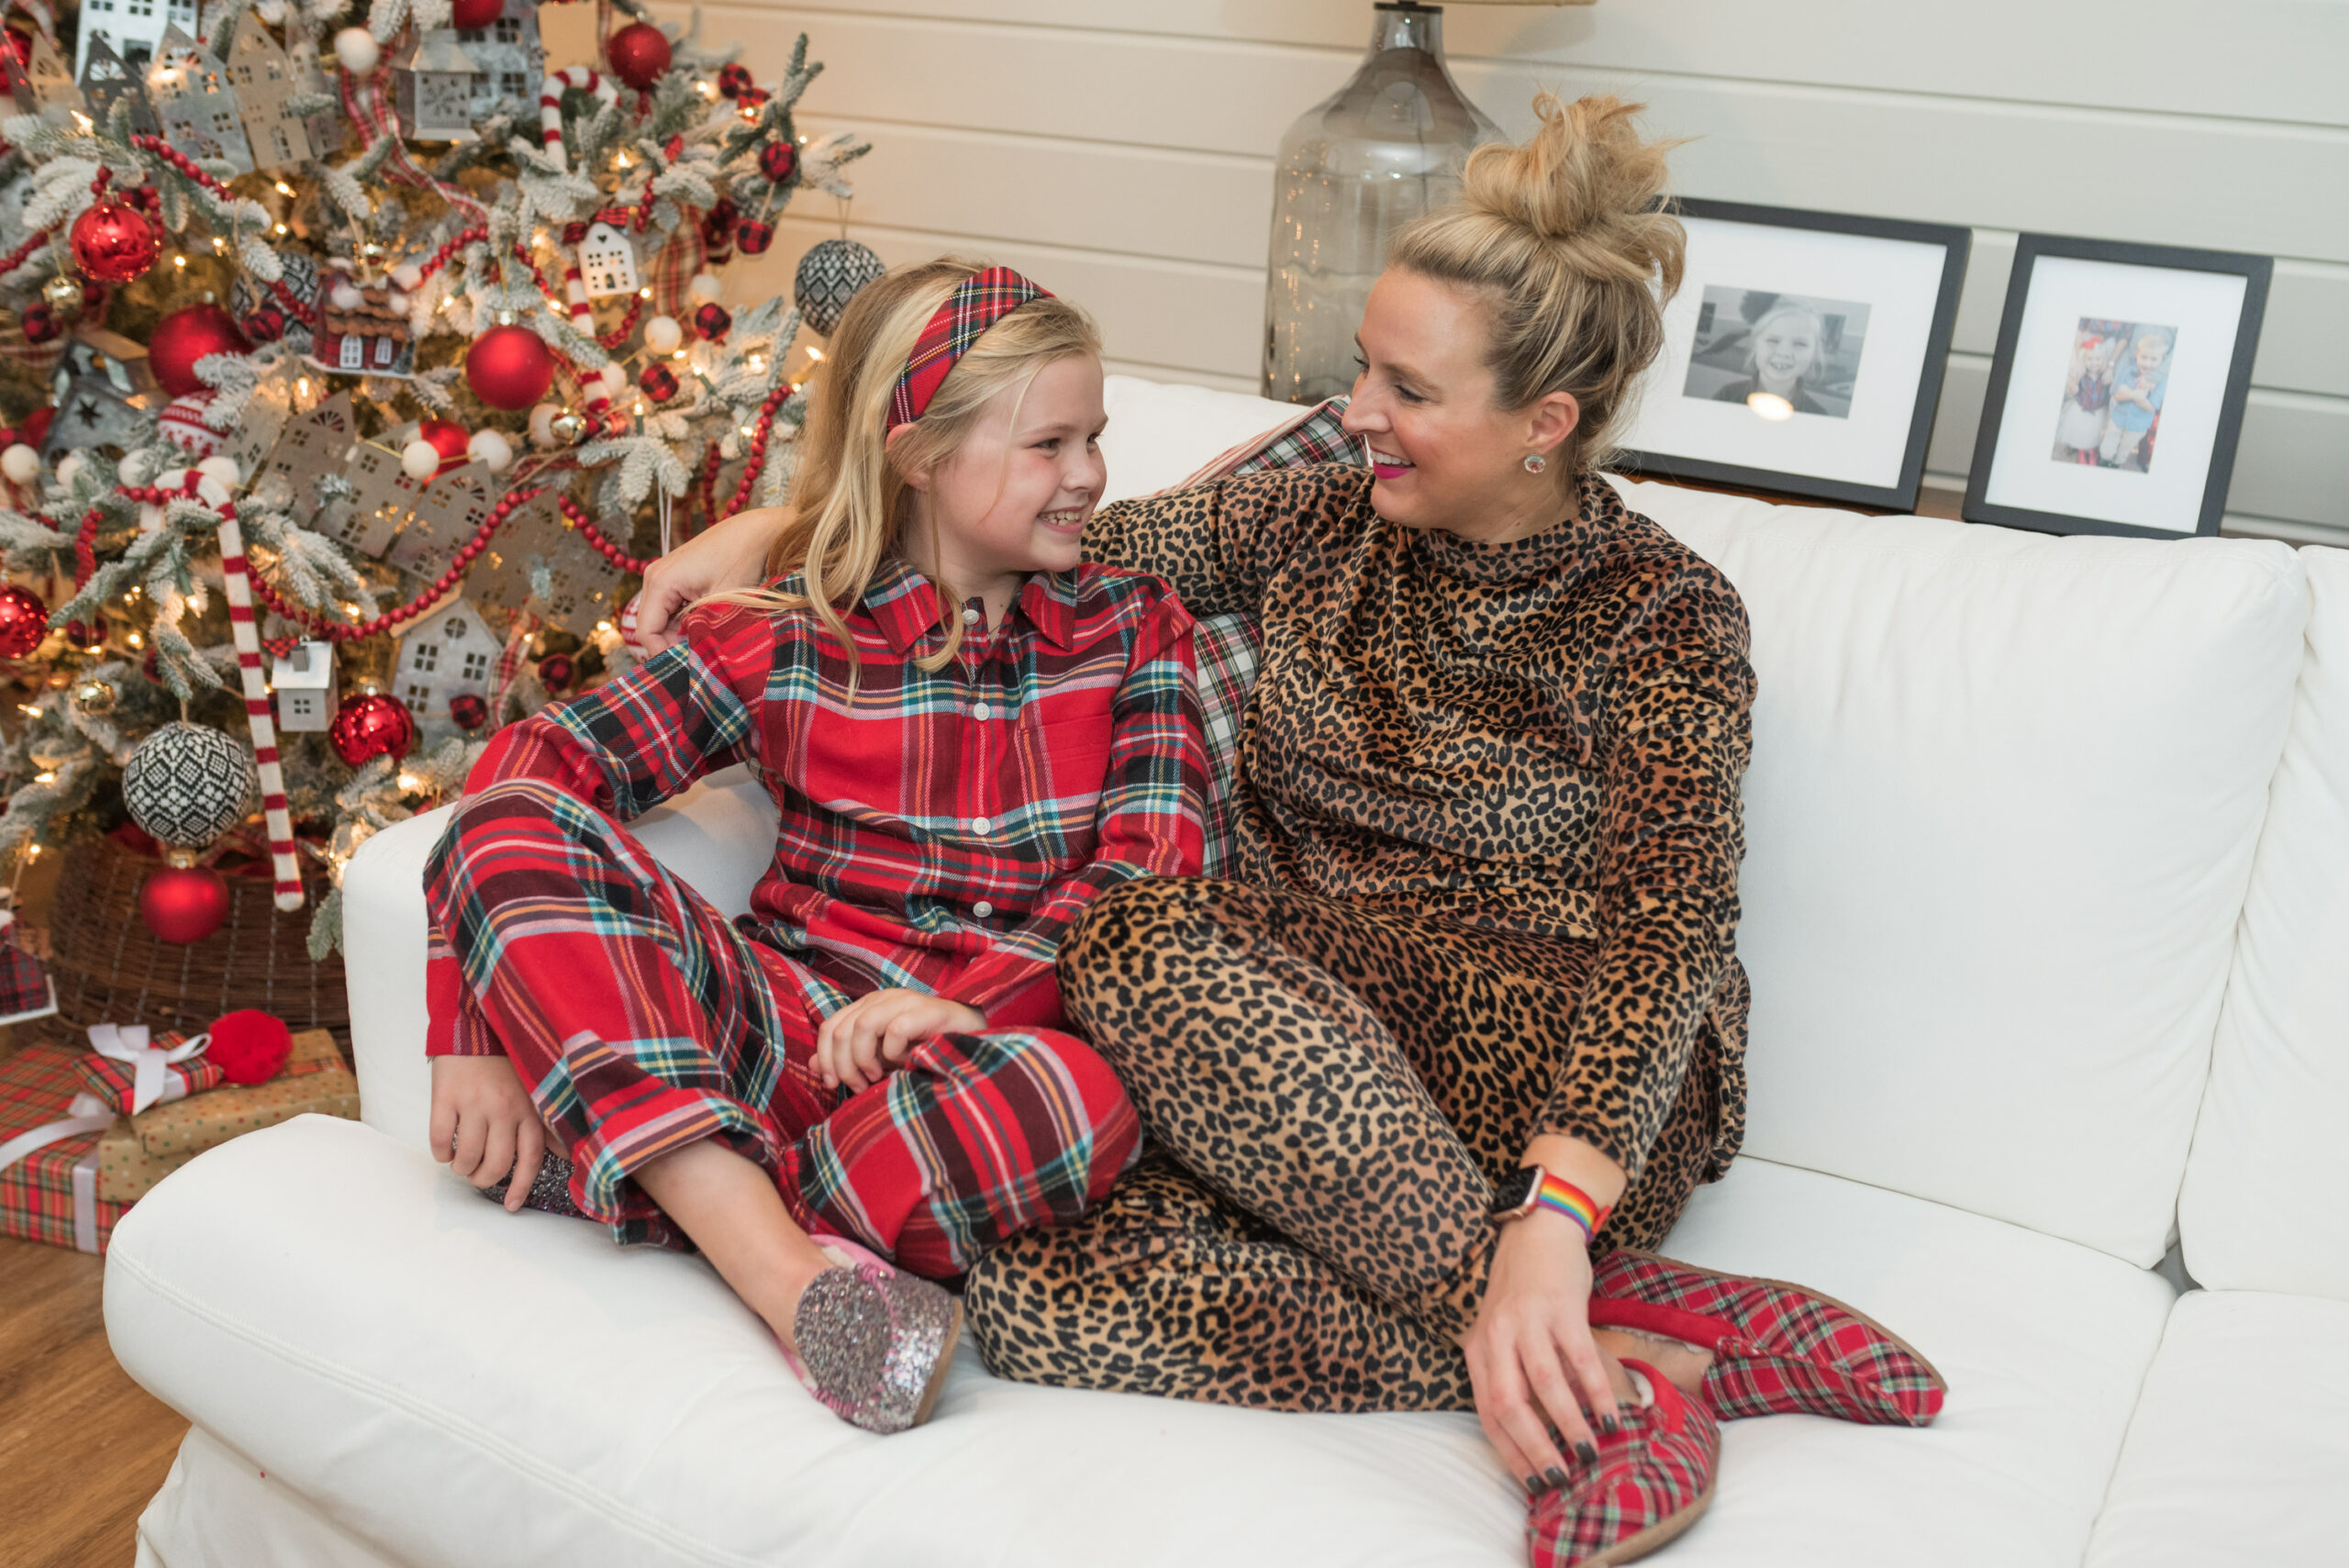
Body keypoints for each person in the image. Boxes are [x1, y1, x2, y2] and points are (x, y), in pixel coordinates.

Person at [641, 97, 1943, 1568]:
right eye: (1363, 371)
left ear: (1546, 426)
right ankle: (1646, 1361)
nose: (1358, 410)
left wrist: (1557, 1220)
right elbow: (1008, 521)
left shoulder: (1667, 616)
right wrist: (761, 532)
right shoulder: (1312, 524)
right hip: (1286, 1070)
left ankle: (1560, 1319)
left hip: (1561, 1078)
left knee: (1133, 937)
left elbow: (1671, 928)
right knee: (1000, 1285)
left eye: (1405, 386)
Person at [422, 259, 1207, 1438]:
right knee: (505, 822)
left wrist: (973, 1006)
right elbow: (532, 772)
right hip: (777, 1026)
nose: (1089, 473)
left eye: (1092, 437)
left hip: (978, 1056)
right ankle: (793, 1282)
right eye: (1049, 445)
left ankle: (673, 1172)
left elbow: (1151, 867)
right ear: (917, 456)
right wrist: (470, 1030)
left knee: (1079, 1099)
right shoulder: (781, 636)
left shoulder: (1133, 623)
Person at [1710, 298, 1834, 416]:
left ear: (1814, 352)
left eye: (1800, 344)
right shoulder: (1726, 396)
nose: (1784, 352)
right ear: (1755, 344)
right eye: (1773, 340)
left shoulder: (1818, 415)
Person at [2100, 327, 2171, 471]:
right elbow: (2117, 395)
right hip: (2118, 418)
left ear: (2162, 360)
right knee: (2109, 444)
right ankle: (2105, 459)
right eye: (2143, 357)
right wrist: (2136, 396)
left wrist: (2131, 394)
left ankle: (2116, 463)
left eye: (2154, 359)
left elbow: (2151, 407)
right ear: (2137, 355)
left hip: (2138, 426)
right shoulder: (2129, 371)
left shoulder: (2160, 382)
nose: (2147, 363)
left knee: (2125, 447)